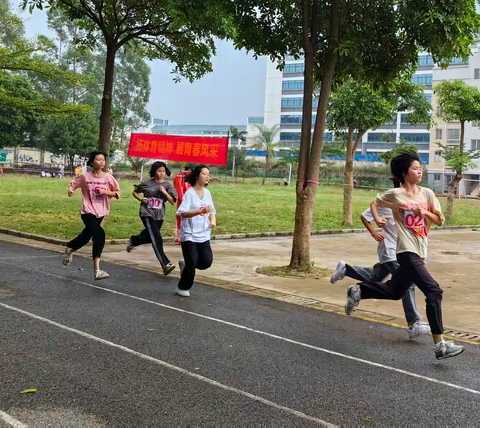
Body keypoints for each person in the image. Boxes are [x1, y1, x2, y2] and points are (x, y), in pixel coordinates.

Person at [344, 151, 464, 360]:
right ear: (404, 173)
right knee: (433, 291)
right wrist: (377, 219)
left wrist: (424, 213)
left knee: (394, 290)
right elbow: (375, 203)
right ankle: (440, 346)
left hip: (420, 250)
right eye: (416, 168)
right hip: (406, 251)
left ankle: (358, 292)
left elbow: (440, 220)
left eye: (420, 168)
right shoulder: (395, 194)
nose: (420, 171)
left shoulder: (427, 194)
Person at [330, 179, 430, 339]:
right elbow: (365, 215)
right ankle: (414, 323)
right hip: (390, 250)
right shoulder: (387, 201)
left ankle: (349, 276)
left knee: (375, 276)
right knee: (408, 282)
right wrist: (374, 232)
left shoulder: (413, 203)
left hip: (403, 250)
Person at [63, 151, 121, 280]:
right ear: (92, 162)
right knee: (99, 234)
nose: (101, 162)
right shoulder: (85, 177)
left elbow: (117, 193)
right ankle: (97, 270)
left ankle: (70, 248)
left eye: (103, 160)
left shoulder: (108, 177)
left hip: (101, 211)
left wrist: (105, 191)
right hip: (87, 210)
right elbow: (74, 183)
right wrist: (71, 190)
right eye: (98, 159)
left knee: (86, 236)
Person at [126, 161, 177, 275]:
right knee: (157, 238)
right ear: (154, 171)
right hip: (147, 213)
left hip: (159, 215)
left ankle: (134, 240)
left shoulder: (168, 185)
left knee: (151, 236)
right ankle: (165, 263)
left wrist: (164, 192)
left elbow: (173, 201)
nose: (161, 173)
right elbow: (135, 192)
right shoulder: (147, 183)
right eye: (159, 171)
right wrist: (141, 199)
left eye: (163, 171)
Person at [175, 165, 216, 297]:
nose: (207, 177)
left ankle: (185, 264)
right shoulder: (190, 193)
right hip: (189, 234)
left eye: (208, 174)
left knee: (205, 262)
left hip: (203, 234)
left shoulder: (208, 193)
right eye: (204, 174)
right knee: (192, 263)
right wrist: (199, 211)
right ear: (197, 176)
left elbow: (212, 210)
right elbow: (182, 213)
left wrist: (213, 220)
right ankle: (182, 287)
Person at [173, 166, 193, 244]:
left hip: (192, 202)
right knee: (180, 219)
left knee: (191, 219)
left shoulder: (194, 180)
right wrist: (179, 176)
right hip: (182, 202)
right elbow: (176, 186)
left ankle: (189, 236)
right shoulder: (180, 178)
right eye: (187, 171)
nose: (188, 173)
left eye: (190, 172)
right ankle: (179, 237)